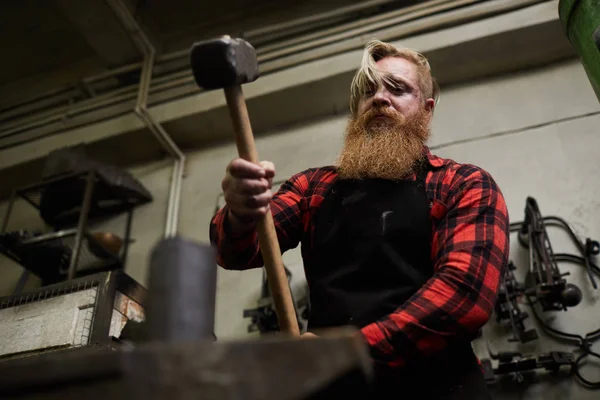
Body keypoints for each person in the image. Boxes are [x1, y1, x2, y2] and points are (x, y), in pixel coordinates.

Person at [209, 39, 509, 399]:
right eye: (369, 90)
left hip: (439, 388)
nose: (380, 98)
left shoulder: (461, 184)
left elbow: (464, 296)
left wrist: (348, 352)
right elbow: (237, 252)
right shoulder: (313, 187)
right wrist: (241, 212)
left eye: (398, 89)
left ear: (426, 110)